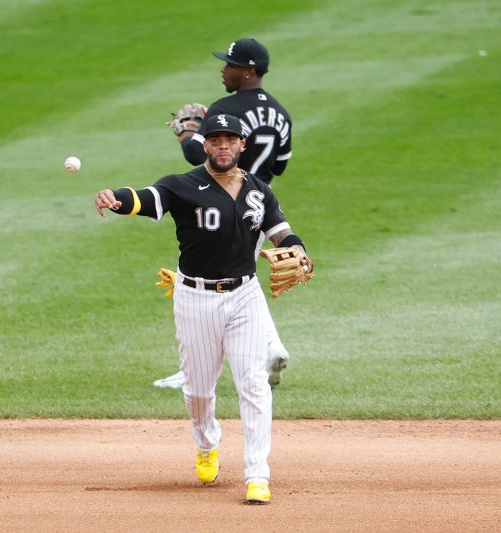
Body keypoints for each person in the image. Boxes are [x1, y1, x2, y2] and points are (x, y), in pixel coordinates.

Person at [94, 114, 313, 505]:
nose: (223, 146)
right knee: (198, 390)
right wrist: (115, 197)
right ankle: (207, 442)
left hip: (245, 295)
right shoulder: (182, 185)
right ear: (206, 145)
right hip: (195, 298)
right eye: (216, 139)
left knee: (254, 383)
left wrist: (299, 249)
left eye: (230, 139)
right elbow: (148, 198)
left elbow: (280, 231)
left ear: (242, 145)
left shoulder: (259, 190)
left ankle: (257, 474)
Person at [154, 37, 294, 390]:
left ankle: (195, 371)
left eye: (230, 64)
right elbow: (280, 164)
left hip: (223, 200)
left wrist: (188, 132)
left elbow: (195, 155)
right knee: (244, 282)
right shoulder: (281, 113)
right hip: (261, 202)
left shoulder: (226, 108)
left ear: (248, 71)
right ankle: (271, 347)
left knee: (207, 278)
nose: (223, 69)